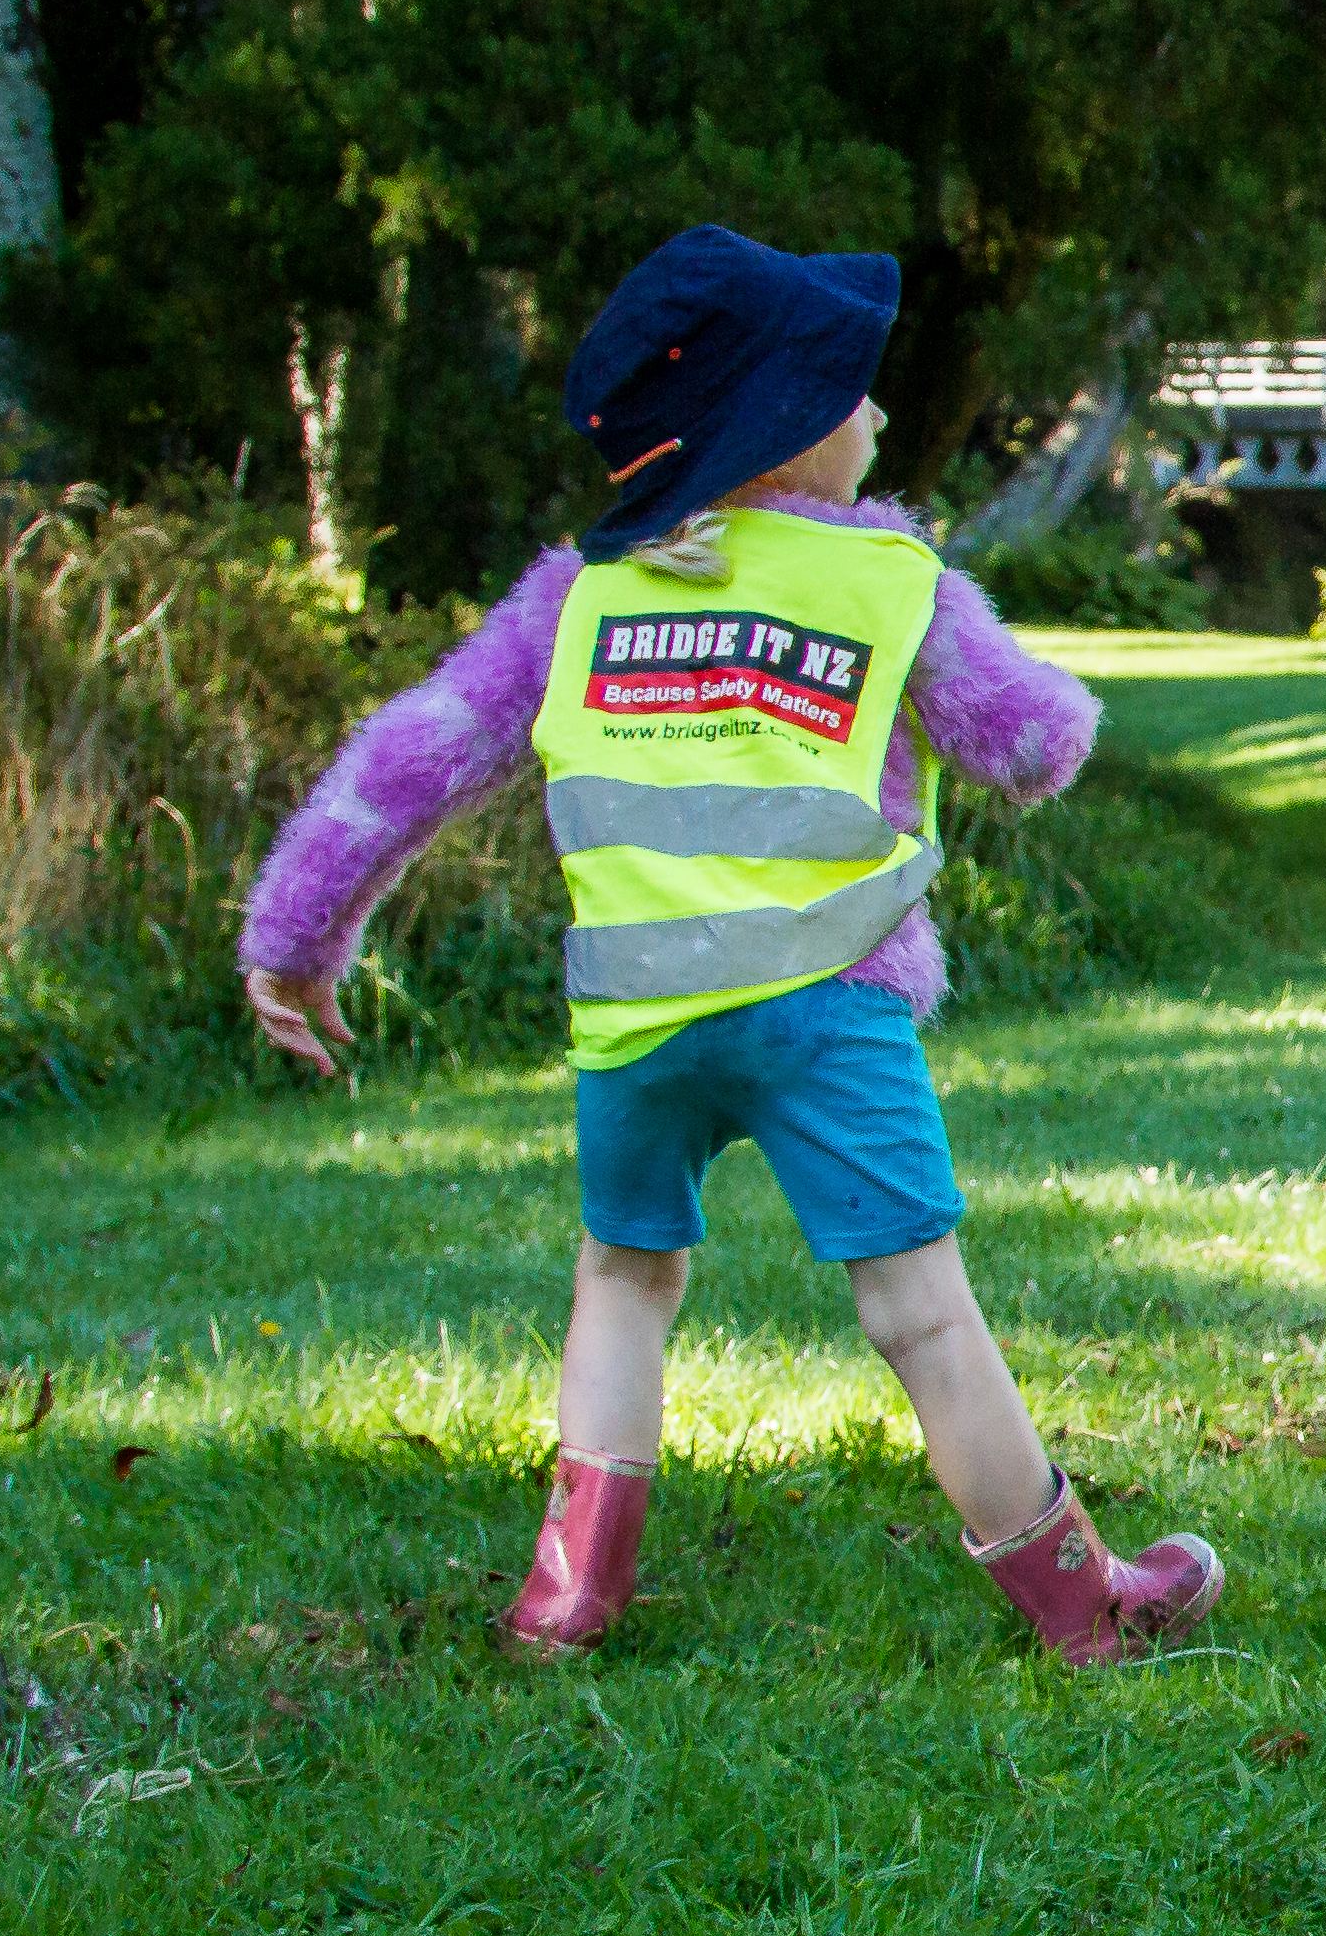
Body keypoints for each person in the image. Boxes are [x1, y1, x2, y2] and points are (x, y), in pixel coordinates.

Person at [235, 225, 1222, 1666]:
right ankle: (1087, 1606)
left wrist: (296, 935)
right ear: (787, 426)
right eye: (851, 390)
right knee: (920, 1313)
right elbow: (1035, 747)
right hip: (832, 1004)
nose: (877, 413)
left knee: (623, 1280)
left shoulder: (579, 593)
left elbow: (412, 757)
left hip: (640, 1017)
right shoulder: (891, 583)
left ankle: (566, 1599)